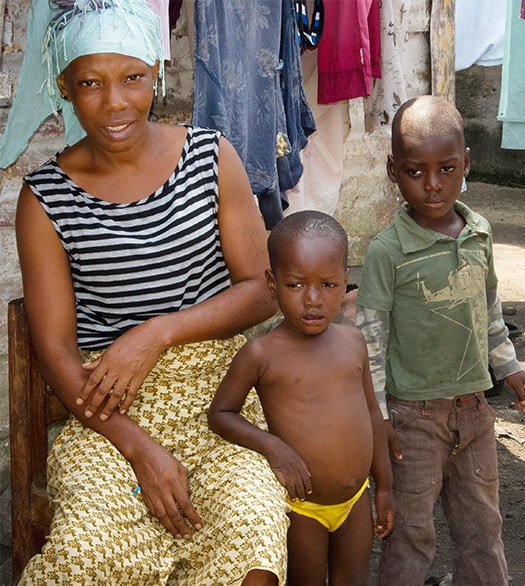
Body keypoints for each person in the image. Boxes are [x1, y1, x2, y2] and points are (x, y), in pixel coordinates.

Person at [8, 0, 288, 583]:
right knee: (87, 556)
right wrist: (139, 448)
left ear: (155, 74)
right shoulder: (44, 200)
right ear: (64, 86)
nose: (115, 103)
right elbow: (56, 353)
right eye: (90, 83)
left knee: (253, 532)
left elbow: (262, 291)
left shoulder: (211, 158)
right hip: (107, 417)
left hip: (220, 406)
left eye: (132, 78)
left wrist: (156, 333)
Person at [355, 94, 525, 586]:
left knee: (482, 527)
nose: (432, 184)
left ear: (467, 165)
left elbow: (490, 313)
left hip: (475, 410)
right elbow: (370, 342)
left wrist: (512, 370)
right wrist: (377, 417)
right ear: (394, 171)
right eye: (416, 171)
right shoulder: (386, 252)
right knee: (411, 534)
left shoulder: (479, 233)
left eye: (447, 168)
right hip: (412, 419)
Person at [208, 210, 395, 586]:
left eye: (327, 285)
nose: (313, 300)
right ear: (272, 284)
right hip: (302, 506)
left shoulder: (353, 342)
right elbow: (221, 414)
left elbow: (372, 416)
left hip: (356, 498)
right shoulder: (261, 354)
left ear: (345, 283)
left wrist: (385, 486)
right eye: (295, 285)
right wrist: (273, 447)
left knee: (354, 580)